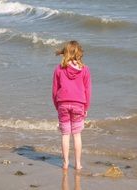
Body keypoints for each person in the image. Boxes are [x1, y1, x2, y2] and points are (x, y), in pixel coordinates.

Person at [52, 40, 91, 170]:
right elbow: (87, 91)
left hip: (62, 103)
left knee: (65, 135)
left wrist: (57, 105)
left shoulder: (59, 69)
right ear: (79, 53)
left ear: (65, 53)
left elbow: (54, 90)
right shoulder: (85, 70)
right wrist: (86, 107)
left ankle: (65, 163)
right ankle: (78, 164)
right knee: (77, 134)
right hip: (79, 104)